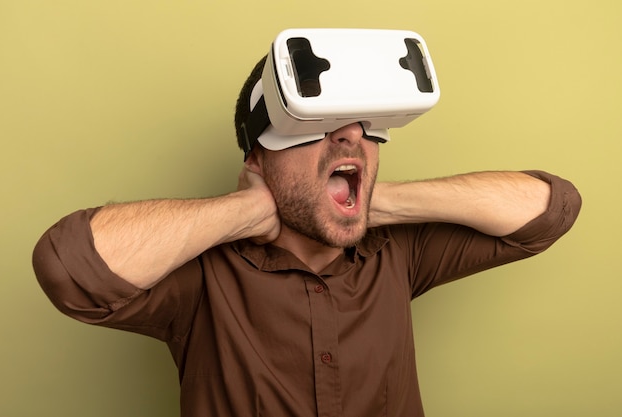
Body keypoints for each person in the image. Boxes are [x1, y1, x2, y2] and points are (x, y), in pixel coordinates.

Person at [33, 54, 582, 417]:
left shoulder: (400, 254)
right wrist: (246, 212)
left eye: (365, 128)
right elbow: (69, 269)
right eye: (314, 126)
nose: (350, 136)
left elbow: (549, 209)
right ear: (257, 156)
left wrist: (374, 202)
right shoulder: (200, 278)